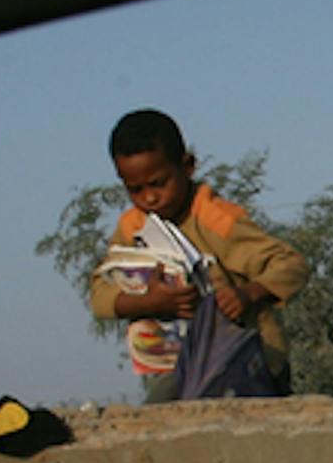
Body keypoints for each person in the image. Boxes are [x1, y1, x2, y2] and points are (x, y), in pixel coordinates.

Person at [88, 109, 309, 402]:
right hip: (184, 367)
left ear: (187, 167)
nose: (150, 198)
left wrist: (248, 293)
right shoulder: (134, 227)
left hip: (250, 363)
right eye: (135, 189)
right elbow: (99, 295)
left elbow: (291, 264)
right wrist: (148, 302)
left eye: (158, 183)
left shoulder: (215, 219)